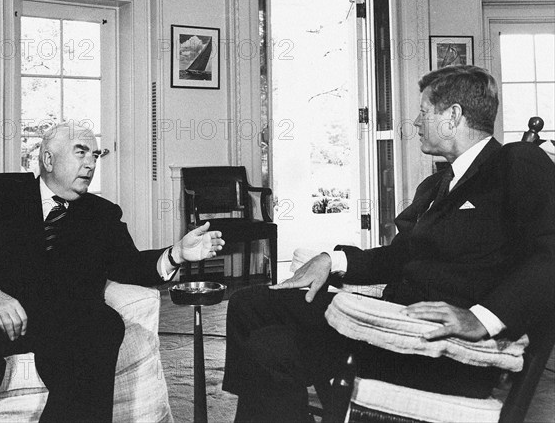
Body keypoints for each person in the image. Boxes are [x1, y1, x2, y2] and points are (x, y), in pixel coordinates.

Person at [222, 65, 555, 422]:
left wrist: (481, 318)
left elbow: (549, 251)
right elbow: (400, 255)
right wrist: (331, 261)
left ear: (453, 116)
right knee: (249, 304)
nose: (415, 122)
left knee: (272, 349)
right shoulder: (438, 185)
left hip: (443, 351)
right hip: (392, 325)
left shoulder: (516, 162)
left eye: (424, 112)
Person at [0, 122, 225, 423]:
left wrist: (176, 253)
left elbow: (130, 264)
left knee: (103, 324)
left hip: (67, 322)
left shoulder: (102, 214)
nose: (91, 163)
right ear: (48, 159)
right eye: (81, 153)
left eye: (95, 155)